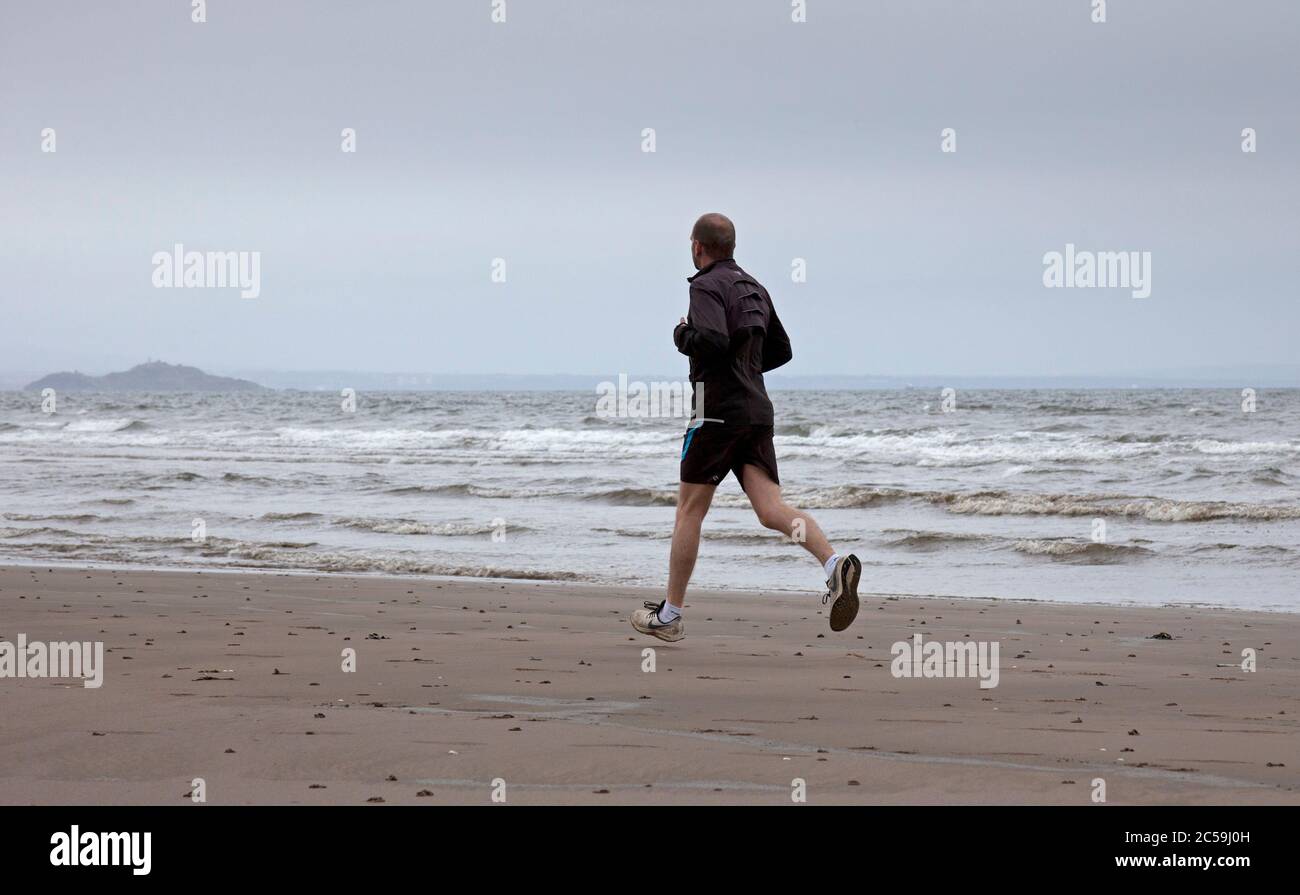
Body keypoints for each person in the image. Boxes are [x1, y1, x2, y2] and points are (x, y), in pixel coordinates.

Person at [630, 213, 860, 642]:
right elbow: (782, 349)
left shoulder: (703, 285)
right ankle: (834, 565)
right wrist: (746, 369)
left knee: (689, 510)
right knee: (772, 510)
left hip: (714, 412)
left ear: (698, 246)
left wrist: (682, 335)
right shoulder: (755, 286)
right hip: (756, 410)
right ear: (730, 246)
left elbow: (712, 340)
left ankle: (670, 614)